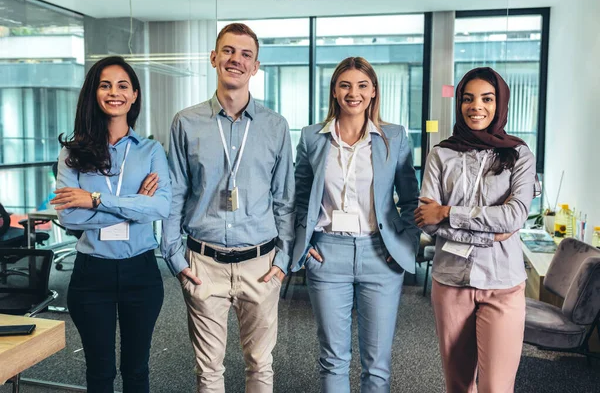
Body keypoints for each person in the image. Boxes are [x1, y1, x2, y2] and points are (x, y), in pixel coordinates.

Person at [161, 23, 295, 393]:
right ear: (214, 58)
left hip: (261, 264)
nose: (236, 59)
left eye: (245, 54)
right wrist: (175, 258)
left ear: (255, 67)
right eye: (229, 51)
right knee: (208, 371)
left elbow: (285, 198)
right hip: (204, 265)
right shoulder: (186, 122)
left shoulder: (275, 126)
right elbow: (175, 193)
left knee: (260, 365)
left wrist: (282, 262)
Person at [291, 56, 420, 393]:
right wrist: (305, 249)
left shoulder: (394, 137)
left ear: (374, 91)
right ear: (334, 91)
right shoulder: (312, 138)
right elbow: (299, 199)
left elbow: (411, 201)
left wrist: (403, 246)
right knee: (333, 358)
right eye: (345, 85)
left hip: (380, 254)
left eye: (362, 85)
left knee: (377, 364)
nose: (354, 93)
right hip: (327, 254)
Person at [51, 56, 171, 393]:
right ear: (94, 93)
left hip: (141, 273)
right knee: (99, 373)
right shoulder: (72, 152)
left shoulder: (150, 151)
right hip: (92, 275)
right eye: (105, 85)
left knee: (137, 370)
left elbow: (161, 206)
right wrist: (135, 204)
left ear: (134, 95)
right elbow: (69, 216)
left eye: (122, 86)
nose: (113, 92)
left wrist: (95, 199)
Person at [415, 67, 537, 393]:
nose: (476, 106)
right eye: (468, 99)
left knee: (495, 387)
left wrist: (449, 213)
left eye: (487, 98)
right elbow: (427, 219)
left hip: (503, 284)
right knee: (458, 385)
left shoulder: (519, 154)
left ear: (500, 104)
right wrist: (489, 232)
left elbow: (514, 216)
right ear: (459, 103)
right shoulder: (441, 154)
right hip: (451, 282)